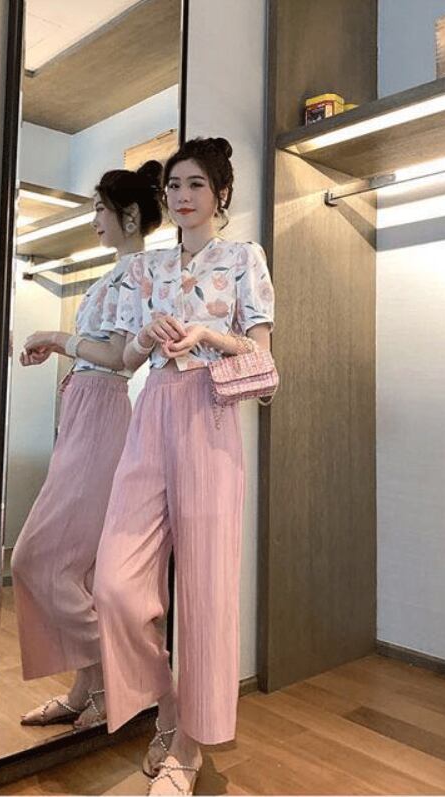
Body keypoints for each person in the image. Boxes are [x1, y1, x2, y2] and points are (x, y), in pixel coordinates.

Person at [93, 137, 275, 794]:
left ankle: (190, 747)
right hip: (153, 411)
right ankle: (169, 710)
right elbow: (123, 358)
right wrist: (144, 338)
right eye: (173, 185)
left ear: (220, 194)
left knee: (206, 589)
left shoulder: (243, 258)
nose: (181, 196)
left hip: (210, 416)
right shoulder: (146, 268)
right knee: (115, 583)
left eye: (196, 184)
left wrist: (209, 335)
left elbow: (263, 360)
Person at [11, 161, 163, 729]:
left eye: (101, 208)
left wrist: (57, 338)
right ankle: (89, 691)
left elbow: (121, 356)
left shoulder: (138, 273)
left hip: (101, 413)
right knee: (80, 566)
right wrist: (65, 354)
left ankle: (121, 672)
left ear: (129, 216)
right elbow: (100, 350)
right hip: (86, 410)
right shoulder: (116, 274)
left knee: (35, 558)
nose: (94, 218)